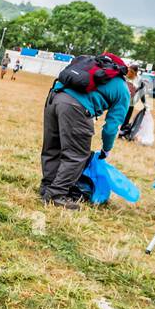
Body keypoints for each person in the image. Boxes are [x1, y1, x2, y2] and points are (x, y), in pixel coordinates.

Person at [38, 54, 131, 209]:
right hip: (76, 108)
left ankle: (47, 187)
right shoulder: (122, 89)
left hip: (54, 97)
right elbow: (111, 128)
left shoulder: (88, 69)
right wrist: (106, 149)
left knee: (52, 147)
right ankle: (56, 195)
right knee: (77, 155)